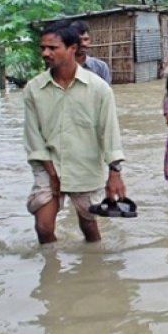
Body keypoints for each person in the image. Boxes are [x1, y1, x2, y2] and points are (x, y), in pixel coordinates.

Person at [23, 21, 126, 244]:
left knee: (88, 224)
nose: (45, 53)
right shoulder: (34, 88)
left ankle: (94, 267)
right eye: (43, 48)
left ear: (72, 48)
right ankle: (51, 271)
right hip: (48, 164)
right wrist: (52, 175)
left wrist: (115, 172)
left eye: (52, 48)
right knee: (43, 227)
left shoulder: (98, 88)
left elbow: (109, 131)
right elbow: (33, 136)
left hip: (85, 164)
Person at [69, 20, 112, 85]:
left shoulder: (101, 67)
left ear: (90, 40)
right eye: (79, 40)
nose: (83, 43)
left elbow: (106, 93)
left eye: (86, 39)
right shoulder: (61, 68)